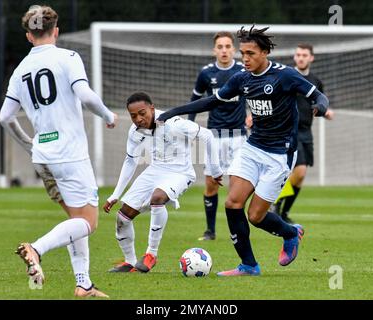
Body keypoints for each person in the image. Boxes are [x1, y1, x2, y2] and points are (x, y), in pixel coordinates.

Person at [157, 26, 330, 276]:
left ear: (265, 52)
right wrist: (175, 111)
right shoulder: (242, 78)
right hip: (252, 147)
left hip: (280, 154)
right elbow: (214, 100)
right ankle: (249, 265)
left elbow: (318, 96)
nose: (245, 58)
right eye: (243, 53)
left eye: (250, 53)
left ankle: (291, 233)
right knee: (232, 203)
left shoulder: (285, 75)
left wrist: (321, 106)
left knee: (256, 216)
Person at [0, 5, 116, 297]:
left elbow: (5, 117)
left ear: (28, 35)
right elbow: (85, 95)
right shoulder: (68, 57)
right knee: (88, 223)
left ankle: (83, 283)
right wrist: (109, 116)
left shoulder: (21, 70)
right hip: (70, 155)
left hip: (43, 156)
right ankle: (35, 249)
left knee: (75, 221)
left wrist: (28, 143)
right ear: (57, 31)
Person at [103, 92, 222, 273]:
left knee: (157, 198)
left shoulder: (174, 123)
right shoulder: (135, 132)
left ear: (152, 108)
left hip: (180, 172)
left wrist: (215, 170)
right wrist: (115, 195)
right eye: (133, 115)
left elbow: (207, 135)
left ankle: (151, 254)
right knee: (123, 217)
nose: (139, 119)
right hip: (154, 171)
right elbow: (130, 161)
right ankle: (130, 262)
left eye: (142, 113)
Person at [188, 31, 249, 241]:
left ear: (233, 49)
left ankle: (237, 230)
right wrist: (189, 126)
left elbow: (256, 95)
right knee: (211, 183)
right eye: (220, 47)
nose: (224, 50)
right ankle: (210, 231)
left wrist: (253, 117)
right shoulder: (206, 73)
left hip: (239, 136)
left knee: (236, 188)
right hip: (214, 135)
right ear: (215, 50)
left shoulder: (243, 70)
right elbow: (194, 100)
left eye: (227, 46)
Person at [272, 43, 334, 223]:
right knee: (299, 172)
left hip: (307, 131)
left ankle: (283, 212)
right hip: (289, 131)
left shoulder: (316, 81)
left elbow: (319, 104)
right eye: (298, 55)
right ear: (294, 57)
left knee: (300, 178)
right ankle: (275, 204)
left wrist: (325, 112)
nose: (300, 58)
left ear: (311, 58)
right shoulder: (287, 77)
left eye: (304, 55)